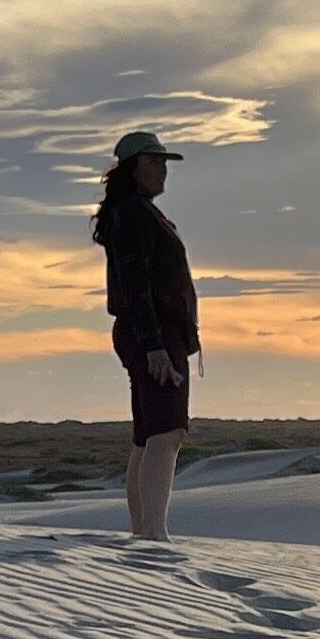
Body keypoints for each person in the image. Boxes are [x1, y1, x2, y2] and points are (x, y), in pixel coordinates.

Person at [94, 130, 199, 539]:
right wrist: (155, 345)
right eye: (154, 162)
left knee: (150, 434)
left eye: (163, 163)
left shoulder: (136, 212)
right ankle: (153, 534)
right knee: (166, 431)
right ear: (133, 167)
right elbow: (136, 285)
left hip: (151, 332)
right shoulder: (134, 213)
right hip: (152, 333)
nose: (162, 170)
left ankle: (145, 532)